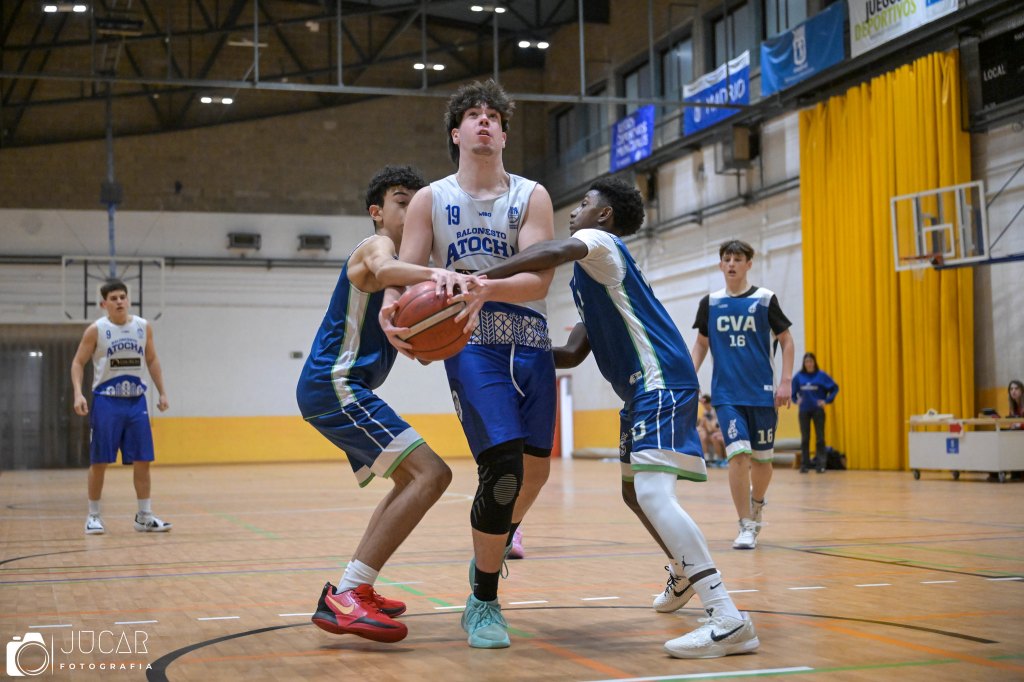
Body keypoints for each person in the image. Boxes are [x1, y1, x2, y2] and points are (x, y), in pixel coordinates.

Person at [473, 178, 759, 659]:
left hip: (660, 382)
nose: (574, 211)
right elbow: (571, 353)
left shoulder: (600, 243)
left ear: (604, 215)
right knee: (633, 492)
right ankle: (684, 571)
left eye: (584, 203)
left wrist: (478, 279)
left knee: (652, 493)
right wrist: (506, 352)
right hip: (640, 391)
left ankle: (727, 617)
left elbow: (552, 250)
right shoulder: (595, 279)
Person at [382, 80, 557, 649]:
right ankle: (483, 601)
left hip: (529, 337)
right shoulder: (431, 199)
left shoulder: (532, 195)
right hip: (468, 338)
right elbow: (407, 270)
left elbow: (538, 279)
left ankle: (498, 535)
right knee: (501, 469)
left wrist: (486, 285)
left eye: (494, 117)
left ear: (504, 134)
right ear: (456, 133)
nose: (485, 122)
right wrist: (391, 307)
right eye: (473, 116)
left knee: (535, 471)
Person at [297, 165, 476, 643]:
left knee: (411, 479)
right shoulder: (376, 247)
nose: (412, 209)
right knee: (432, 474)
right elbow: (385, 270)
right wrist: (442, 274)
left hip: (344, 387)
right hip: (335, 384)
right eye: (402, 200)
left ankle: (352, 589)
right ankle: (348, 595)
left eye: (418, 203)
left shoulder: (404, 274)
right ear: (376, 211)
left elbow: (415, 341)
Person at [691, 239, 794, 550]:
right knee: (737, 454)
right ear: (720, 265)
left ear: (749, 264)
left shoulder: (765, 299)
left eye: (737, 259)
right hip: (727, 395)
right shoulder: (710, 303)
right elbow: (701, 344)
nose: (732, 264)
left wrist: (786, 381)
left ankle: (757, 503)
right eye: (727, 259)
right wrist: (690, 378)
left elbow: (787, 341)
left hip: (762, 394)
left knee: (762, 461)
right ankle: (745, 524)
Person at [71, 279, 172, 535]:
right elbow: (78, 362)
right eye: (113, 298)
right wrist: (78, 394)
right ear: (103, 304)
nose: (119, 302)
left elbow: (152, 359)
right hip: (107, 401)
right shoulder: (96, 330)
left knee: (143, 459)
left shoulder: (143, 327)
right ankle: (93, 516)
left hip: (136, 401)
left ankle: (144, 516)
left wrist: (162, 392)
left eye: (122, 297)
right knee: (100, 461)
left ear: (128, 300)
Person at [791, 352, 839, 473]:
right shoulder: (798, 377)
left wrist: (826, 401)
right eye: (807, 362)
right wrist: (796, 400)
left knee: (820, 438)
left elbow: (835, 388)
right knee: (805, 438)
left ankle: (821, 465)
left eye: (811, 361)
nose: (809, 364)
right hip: (804, 411)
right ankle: (804, 464)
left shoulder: (821, 375)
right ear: (804, 363)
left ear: (814, 363)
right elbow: (792, 393)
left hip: (818, 411)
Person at [697, 394, 726, 466]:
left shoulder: (715, 411)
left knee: (714, 437)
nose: (704, 406)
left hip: (719, 432)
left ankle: (721, 459)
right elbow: (701, 426)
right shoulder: (705, 412)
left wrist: (706, 425)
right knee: (702, 436)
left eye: (705, 404)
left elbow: (715, 428)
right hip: (711, 432)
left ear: (709, 403)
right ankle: (706, 458)